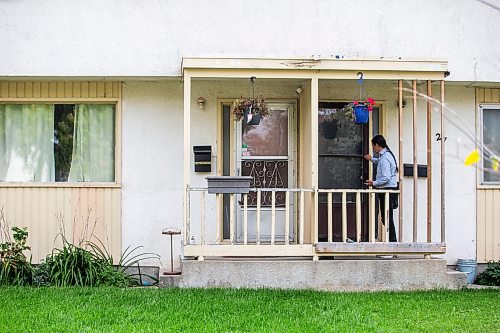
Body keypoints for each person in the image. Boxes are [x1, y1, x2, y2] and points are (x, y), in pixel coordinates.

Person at [364, 135, 398, 242]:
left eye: (373, 146)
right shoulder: (387, 155)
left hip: (386, 190)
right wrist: (372, 159)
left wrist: (373, 183)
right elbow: (381, 163)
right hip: (390, 189)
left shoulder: (384, 158)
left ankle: (392, 244)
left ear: (377, 145)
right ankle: (392, 244)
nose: (373, 148)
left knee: (387, 218)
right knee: (387, 217)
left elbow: (386, 177)